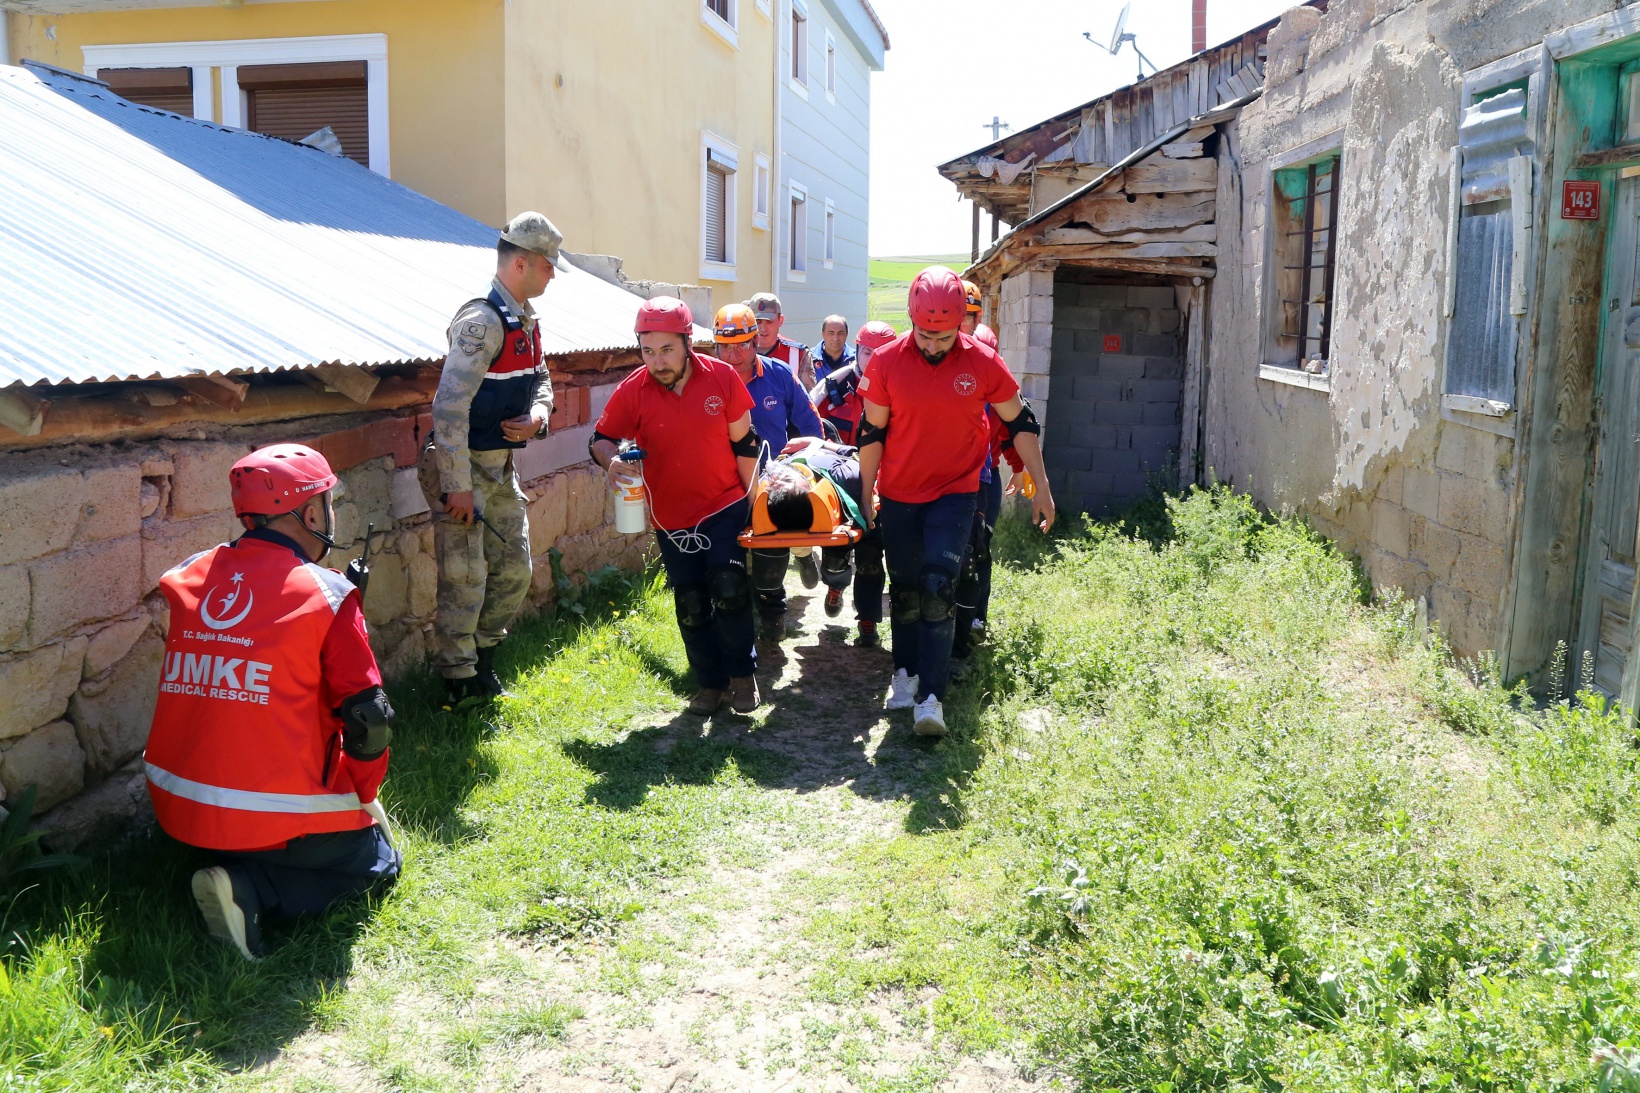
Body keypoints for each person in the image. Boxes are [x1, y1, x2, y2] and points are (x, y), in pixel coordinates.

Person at [145, 444, 400, 961]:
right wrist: (363, 791)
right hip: (273, 818)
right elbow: (369, 718)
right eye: (326, 502)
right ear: (311, 514)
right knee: (377, 864)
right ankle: (252, 891)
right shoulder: (327, 596)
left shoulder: (190, 573)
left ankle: (227, 865)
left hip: (180, 810)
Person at [857, 267, 1057, 738]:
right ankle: (904, 673)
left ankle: (931, 699)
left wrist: (1042, 487)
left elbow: (1021, 422)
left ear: (960, 325)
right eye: (924, 335)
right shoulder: (885, 362)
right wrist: (865, 494)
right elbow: (872, 433)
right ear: (911, 320)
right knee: (905, 592)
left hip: (956, 492)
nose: (932, 346)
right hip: (900, 494)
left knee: (937, 587)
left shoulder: (982, 361)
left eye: (943, 337)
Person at [590, 297, 764, 715]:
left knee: (729, 589)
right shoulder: (634, 389)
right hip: (670, 518)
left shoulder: (721, 377)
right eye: (647, 351)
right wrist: (610, 460)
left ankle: (743, 677)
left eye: (667, 349)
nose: (657, 361)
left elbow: (746, 445)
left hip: (724, 505)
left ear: (687, 343)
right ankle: (710, 683)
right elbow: (600, 438)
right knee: (691, 604)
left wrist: (755, 505)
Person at [420, 211, 561, 703]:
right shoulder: (483, 321)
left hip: (500, 466)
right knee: (464, 577)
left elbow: (541, 378)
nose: (552, 273)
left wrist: (539, 415)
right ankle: (458, 682)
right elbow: (449, 406)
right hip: (464, 467)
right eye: (547, 264)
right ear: (521, 263)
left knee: (515, 570)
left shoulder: (525, 318)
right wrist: (456, 484)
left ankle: (483, 660)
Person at [710, 304, 825, 636]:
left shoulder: (779, 375)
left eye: (741, 346)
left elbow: (811, 426)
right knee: (731, 552)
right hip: (722, 481)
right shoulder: (705, 381)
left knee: (769, 542)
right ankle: (735, 614)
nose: (733, 356)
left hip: (772, 478)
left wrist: (807, 467)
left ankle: (774, 609)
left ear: (755, 341)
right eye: (725, 347)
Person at [950, 322, 1024, 674]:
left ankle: (976, 617)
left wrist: (1019, 469)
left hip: (987, 478)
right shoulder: (955, 387)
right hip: (953, 479)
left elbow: (1011, 433)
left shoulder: (999, 393)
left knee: (980, 550)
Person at [766, 438, 887, 647]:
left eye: (784, 481)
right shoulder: (769, 486)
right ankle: (836, 585)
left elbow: (859, 453)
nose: (780, 481)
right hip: (826, 505)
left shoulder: (849, 473)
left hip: (851, 487)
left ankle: (868, 618)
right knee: (834, 559)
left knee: (870, 560)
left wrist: (819, 443)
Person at [810, 320, 895, 445]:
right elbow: (809, 430)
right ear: (857, 352)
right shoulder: (832, 387)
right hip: (839, 456)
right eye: (867, 353)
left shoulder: (903, 391)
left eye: (882, 355)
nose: (873, 360)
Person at [747, 292, 817, 388]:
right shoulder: (739, 351)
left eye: (769, 321)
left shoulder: (798, 353)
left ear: (780, 320)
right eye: (758, 322)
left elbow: (810, 394)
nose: (763, 328)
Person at [815, 314, 854, 382]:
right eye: (831, 333)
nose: (836, 338)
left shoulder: (857, 360)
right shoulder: (809, 360)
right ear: (823, 334)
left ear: (846, 334)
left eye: (840, 333)